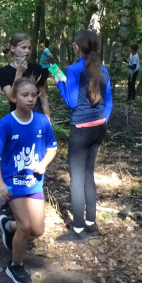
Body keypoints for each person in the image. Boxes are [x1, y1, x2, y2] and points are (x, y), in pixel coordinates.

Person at [0, 78, 58, 283]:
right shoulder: (6, 124)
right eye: (24, 95)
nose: (30, 99)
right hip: (13, 182)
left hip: (34, 182)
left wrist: (44, 164)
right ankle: (15, 265)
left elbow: (52, 148)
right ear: (14, 97)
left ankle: (7, 225)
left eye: (34, 95)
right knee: (26, 227)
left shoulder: (42, 121)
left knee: (37, 230)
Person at [55, 30, 112, 243]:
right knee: (89, 175)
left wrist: (59, 81)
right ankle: (92, 224)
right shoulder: (104, 70)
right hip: (99, 128)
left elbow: (71, 102)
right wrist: (102, 120)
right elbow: (109, 101)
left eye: (74, 44)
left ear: (79, 47)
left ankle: (78, 229)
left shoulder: (73, 69)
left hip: (81, 128)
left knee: (77, 178)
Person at [0, 33, 50, 117]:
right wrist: (19, 72)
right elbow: (12, 98)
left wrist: (47, 118)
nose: (27, 51)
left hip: (37, 115)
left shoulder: (37, 68)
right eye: (23, 47)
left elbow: (43, 96)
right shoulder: (3, 71)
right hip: (18, 117)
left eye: (29, 48)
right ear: (12, 48)